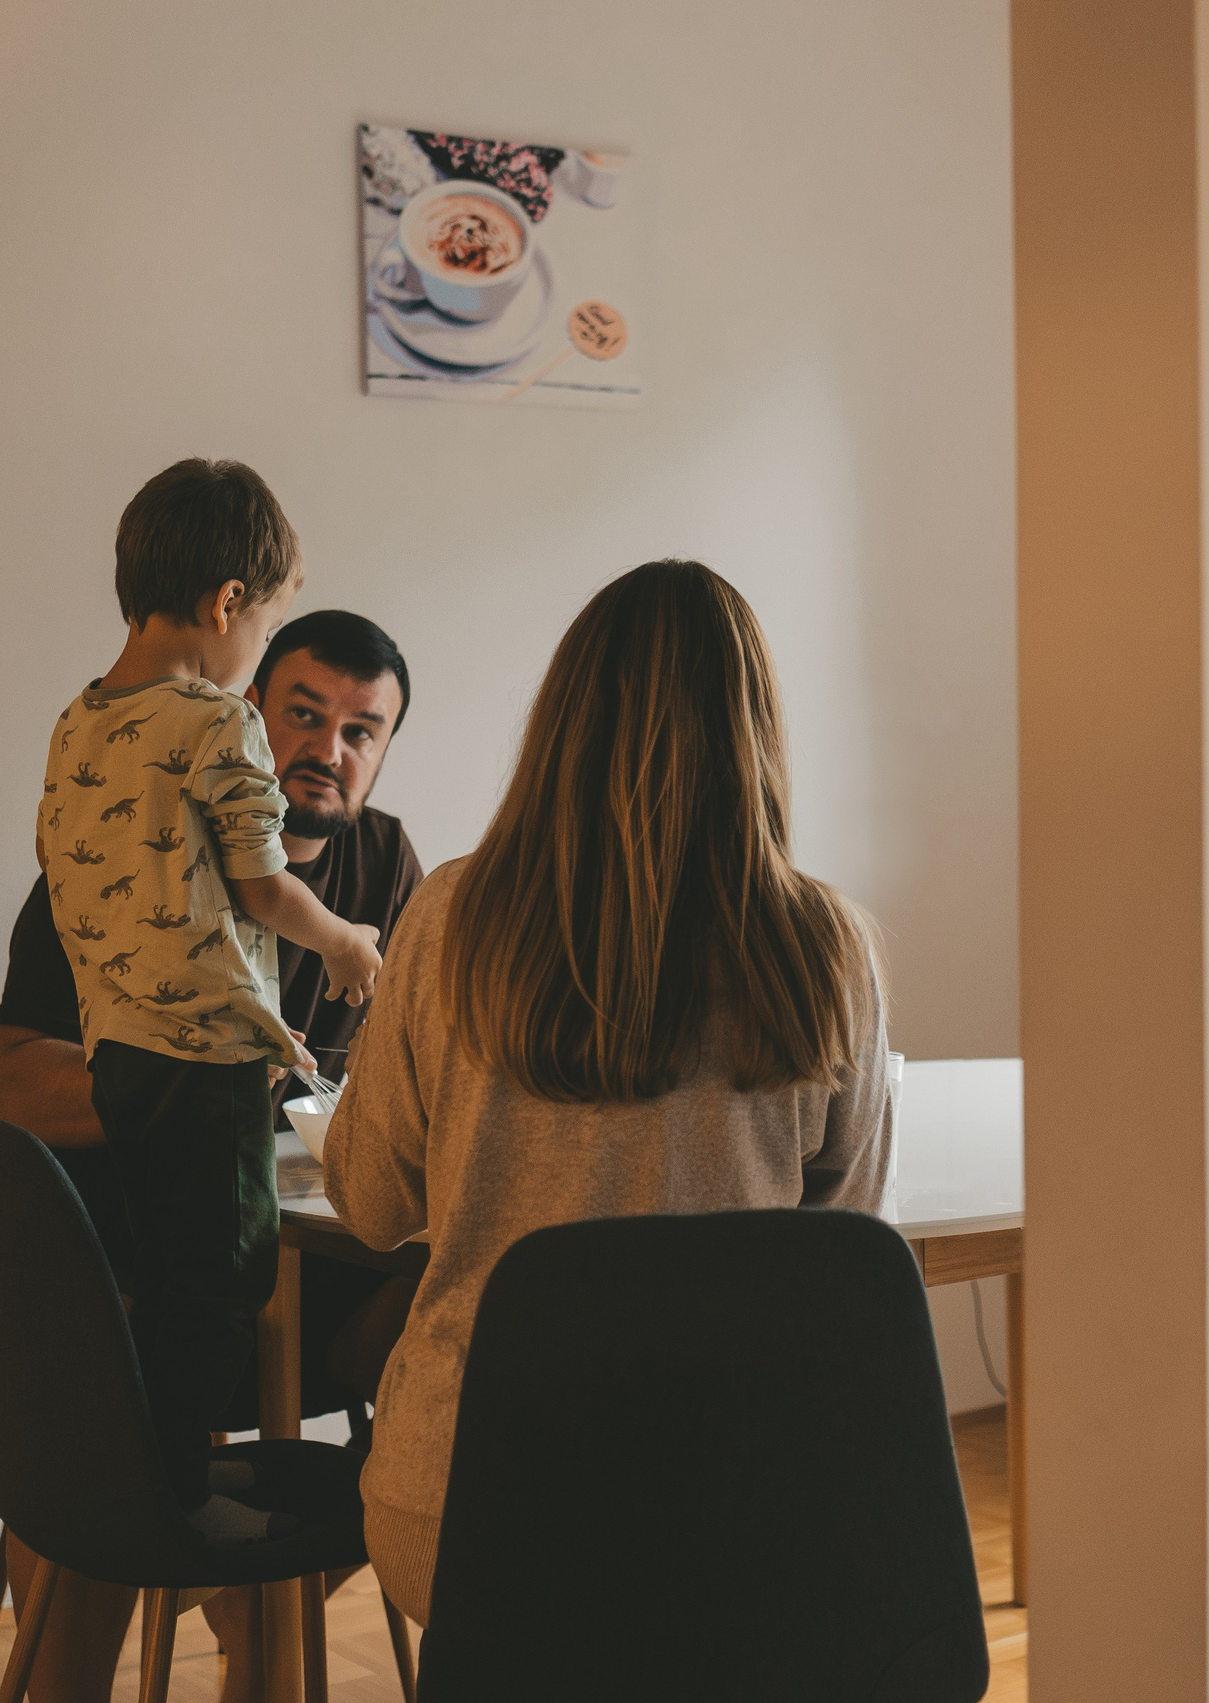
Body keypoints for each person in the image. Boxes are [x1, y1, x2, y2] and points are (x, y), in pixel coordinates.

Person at [322, 559, 895, 1624]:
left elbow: (369, 1200)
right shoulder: (829, 949)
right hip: (728, 1507)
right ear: (754, 729)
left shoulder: (450, 915)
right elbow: (844, 1246)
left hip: (466, 1505)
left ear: (564, 718)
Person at [0, 604, 424, 1699]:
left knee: (464, 1322)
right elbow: (10, 1088)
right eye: (303, 713)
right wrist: (195, 1078)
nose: (328, 749)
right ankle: (185, 1597)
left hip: (315, 1282)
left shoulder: (385, 869)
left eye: (361, 730)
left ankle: (256, 1596)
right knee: (109, 1481)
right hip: (138, 1287)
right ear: (244, 713)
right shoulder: (128, 846)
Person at [36, 455, 382, 1549]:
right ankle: (176, 1490)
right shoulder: (215, 721)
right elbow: (261, 882)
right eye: (263, 621)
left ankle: (158, 1466)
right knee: (226, 1279)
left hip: (119, 1044)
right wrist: (345, 943)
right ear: (229, 602)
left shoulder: (82, 717)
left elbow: (64, 860)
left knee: (160, 1273)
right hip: (205, 1053)